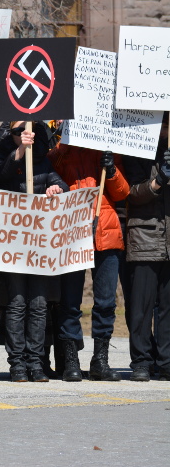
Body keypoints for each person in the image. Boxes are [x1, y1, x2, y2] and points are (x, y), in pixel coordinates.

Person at [0, 122, 68, 382]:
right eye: (17, 130)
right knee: (17, 303)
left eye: (28, 129)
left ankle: (35, 362)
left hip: (38, 246)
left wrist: (57, 189)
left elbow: (60, 184)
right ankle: (17, 363)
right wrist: (20, 149)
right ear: (8, 135)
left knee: (39, 305)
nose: (24, 132)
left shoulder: (43, 162)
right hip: (12, 245)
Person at [49, 144, 129, 381]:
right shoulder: (61, 151)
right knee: (70, 303)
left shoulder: (110, 152)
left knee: (105, 303)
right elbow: (50, 174)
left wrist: (112, 169)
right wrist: (64, 147)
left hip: (107, 233)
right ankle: (71, 361)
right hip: (72, 232)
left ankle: (100, 361)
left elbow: (123, 193)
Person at [123, 125, 170, 381]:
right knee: (141, 308)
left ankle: (166, 362)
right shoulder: (137, 150)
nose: (165, 129)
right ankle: (141, 361)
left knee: (167, 307)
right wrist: (158, 181)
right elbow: (131, 194)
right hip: (145, 239)